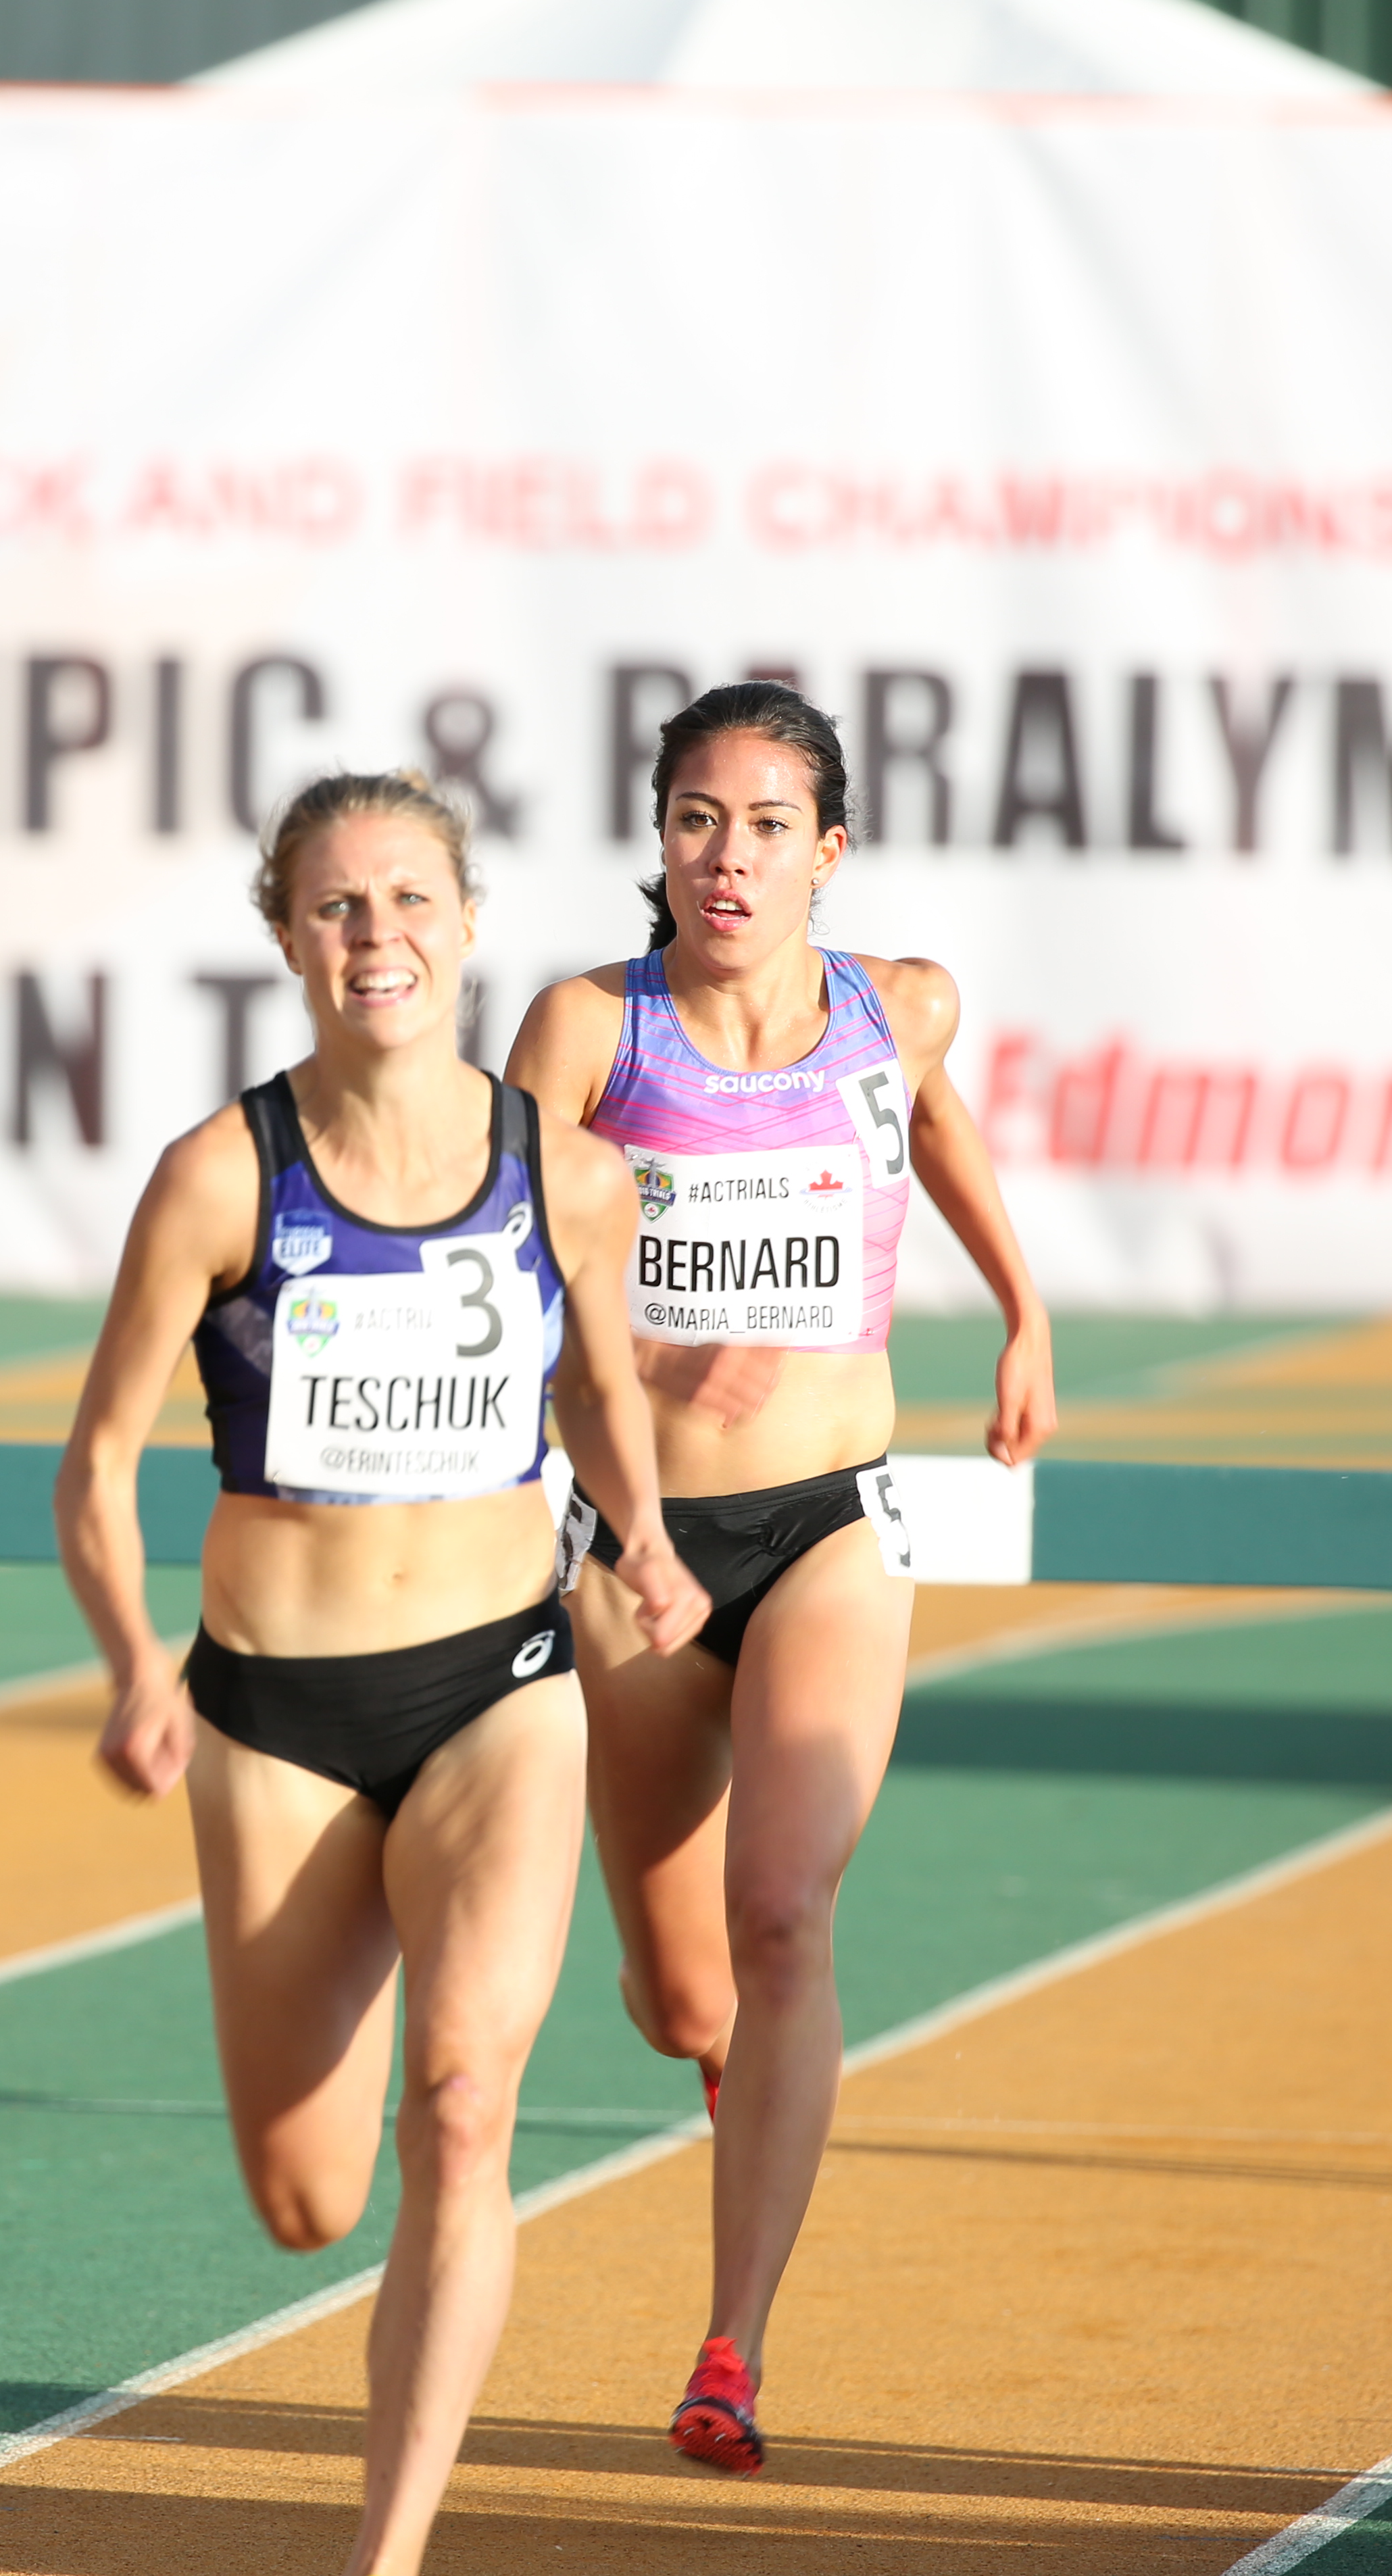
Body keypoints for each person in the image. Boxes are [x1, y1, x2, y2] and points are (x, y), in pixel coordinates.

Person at [59, 771, 705, 2576]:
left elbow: (597, 1390)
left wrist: (641, 1537)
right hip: (273, 1720)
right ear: (285, 938)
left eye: (411, 901)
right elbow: (97, 1461)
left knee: (468, 2100)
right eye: (340, 908)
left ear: (470, 922)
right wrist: (133, 1669)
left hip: (500, 1688)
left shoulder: (566, 1171)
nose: (379, 939)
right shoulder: (218, 1176)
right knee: (307, 2196)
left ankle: (386, 2560)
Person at [504, 681, 1058, 2477]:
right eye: (692, 821)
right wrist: (626, 1440)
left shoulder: (892, 1012)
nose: (724, 859)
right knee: (681, 1996)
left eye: (762, 827)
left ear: (829, 849)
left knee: (784, 1917)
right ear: (656, 838)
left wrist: (1025, 1309)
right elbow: (500, 1282)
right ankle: (722, 2071)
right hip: (638, 1560)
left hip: (828, 1520)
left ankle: (732, 2347)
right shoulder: (591, 1033)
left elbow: (942, 1126)